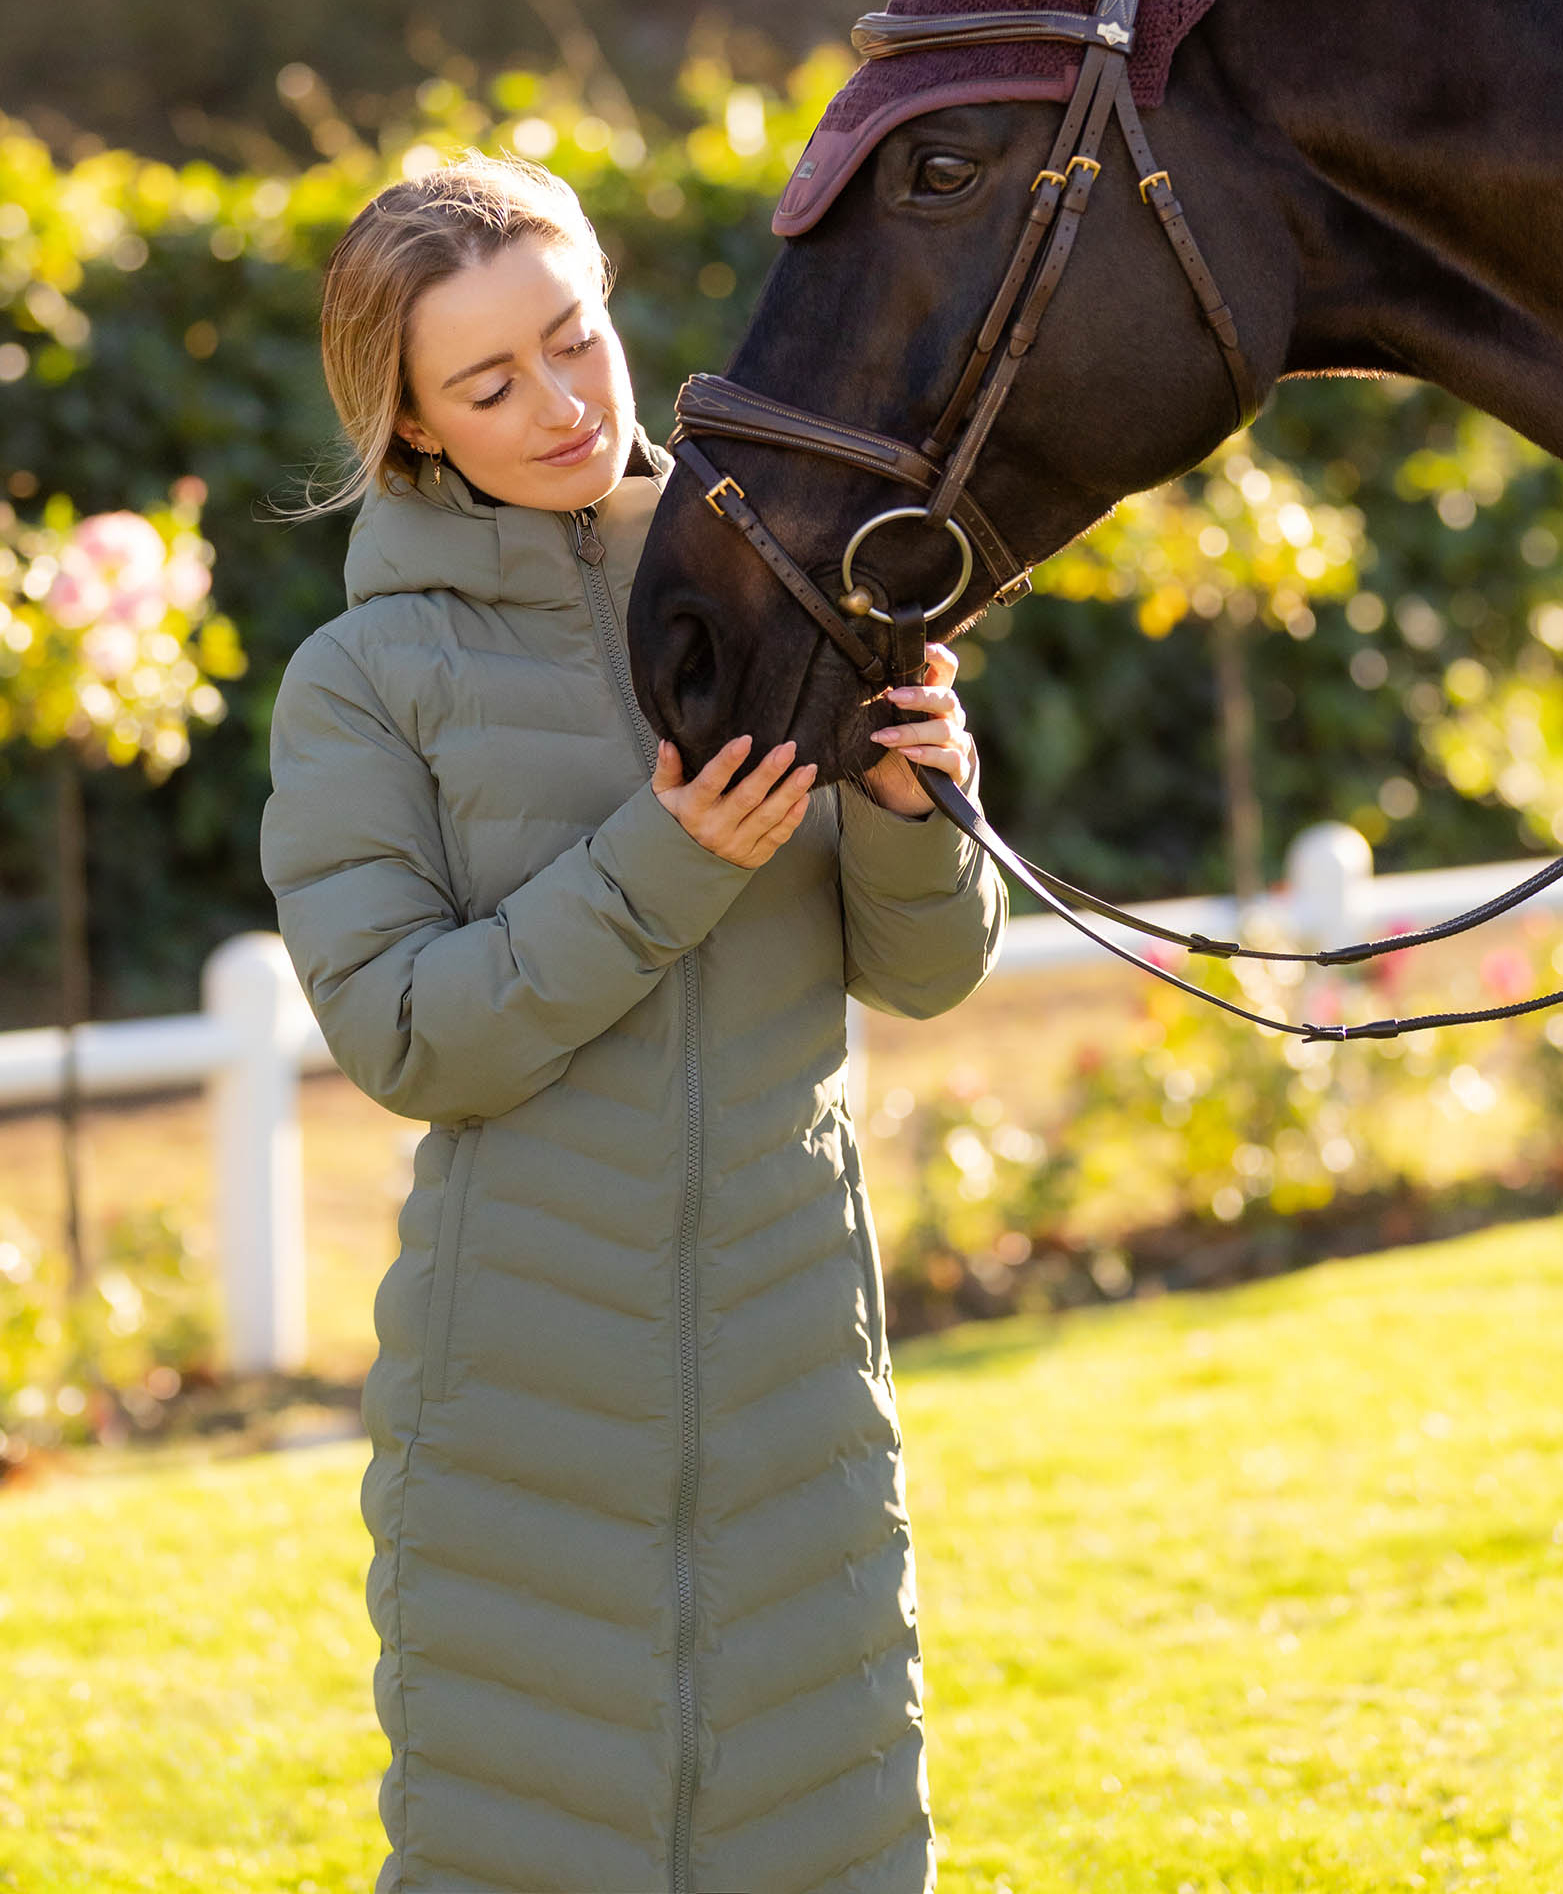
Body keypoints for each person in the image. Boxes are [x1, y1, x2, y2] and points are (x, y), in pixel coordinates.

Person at [260, 154, 1005, 1894]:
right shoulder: (365, 682)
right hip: (522, 1382)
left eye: (573, 340)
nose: (560, 404)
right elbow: (408, 1035)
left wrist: (916, 804)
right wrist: (662, 865)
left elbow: (924, 971)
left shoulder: (785, 590)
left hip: (790, 1354)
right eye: (488, 383)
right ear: (415, 424)